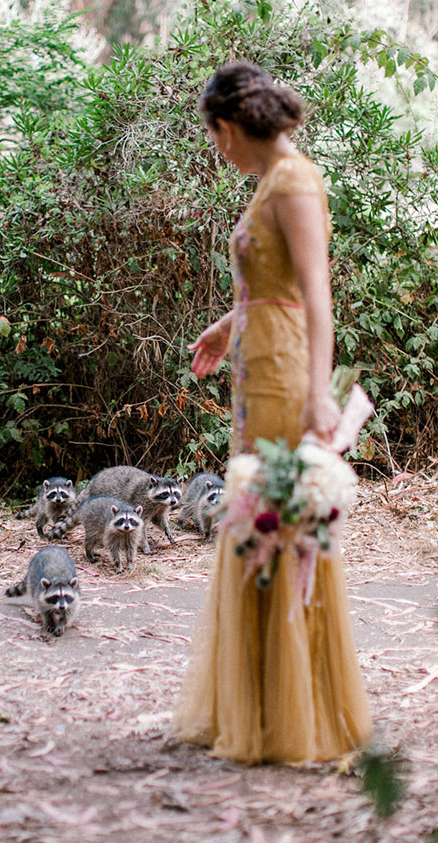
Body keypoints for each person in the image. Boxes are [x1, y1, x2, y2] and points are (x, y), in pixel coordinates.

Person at [172, 63, 373, 764]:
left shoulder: (294, 181)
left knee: (282, 522)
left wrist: (320, 393)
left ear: (229, 126)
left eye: (212, 135)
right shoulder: (267, 184)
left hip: (290, 378)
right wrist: (228, 327)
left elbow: (318, 295)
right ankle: (253, 700)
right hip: (255, 374)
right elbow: (273, 284)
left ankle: (296, 708)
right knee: (253, 517)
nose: (215, 148)